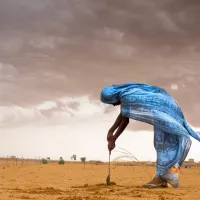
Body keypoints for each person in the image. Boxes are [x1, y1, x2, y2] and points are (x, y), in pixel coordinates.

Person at [100, 82, 200, 188]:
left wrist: (113, 139)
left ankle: (161, 178)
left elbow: (124, 121)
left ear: (112, 96)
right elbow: (123, 114)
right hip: (167, 106)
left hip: (163, 109)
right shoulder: (127, 93)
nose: (113, 104)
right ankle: (165, 177)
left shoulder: (126, 97)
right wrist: (110, 132)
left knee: (162, 144)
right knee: (169, 143)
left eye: (110, 101)